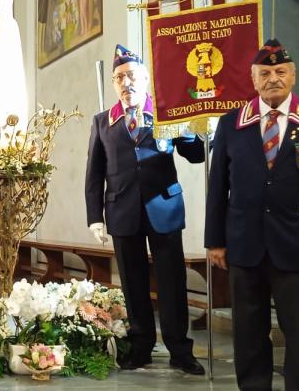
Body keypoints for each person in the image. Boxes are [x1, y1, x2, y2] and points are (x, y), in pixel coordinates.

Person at [205, 39, 299, 391]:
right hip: (243, 243)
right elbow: (217, 187)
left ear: (293, 75)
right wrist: (214, 240)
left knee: (298, 330)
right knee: (248, 330)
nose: (273, 79)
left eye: (280, 71)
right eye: (264, 73)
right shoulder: (231, 124)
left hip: (296, 242)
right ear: (253, 79)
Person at [85, 44, 206, 375]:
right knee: (132, 283)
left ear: (146, 79)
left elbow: (196, 156)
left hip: (163, 207)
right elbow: (94, 174)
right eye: (120, 77)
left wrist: (190, 126)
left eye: (133, 76)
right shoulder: (102, 122)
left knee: (171, 281)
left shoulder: (168, 113)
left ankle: (180, 349)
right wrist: (95, 217)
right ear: (113, 83)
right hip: (122, 211)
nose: (127, 83)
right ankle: (141, 346)